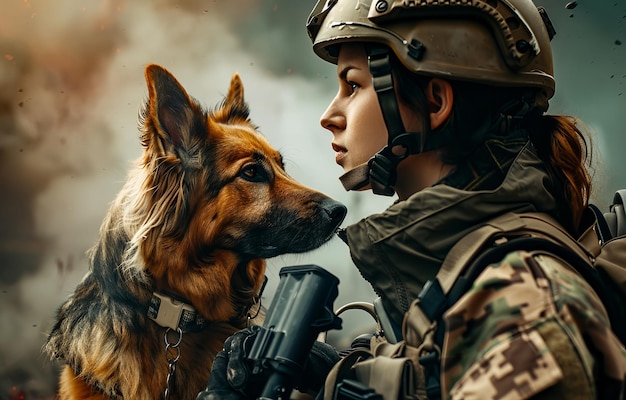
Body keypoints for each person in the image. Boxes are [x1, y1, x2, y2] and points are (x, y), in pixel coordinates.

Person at [198, 0, 626, 399]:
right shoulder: (463, 272)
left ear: (435, 103)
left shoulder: (524, 309)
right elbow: (436, 374)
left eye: (353, 85)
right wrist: (331, 375)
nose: (330, 115)